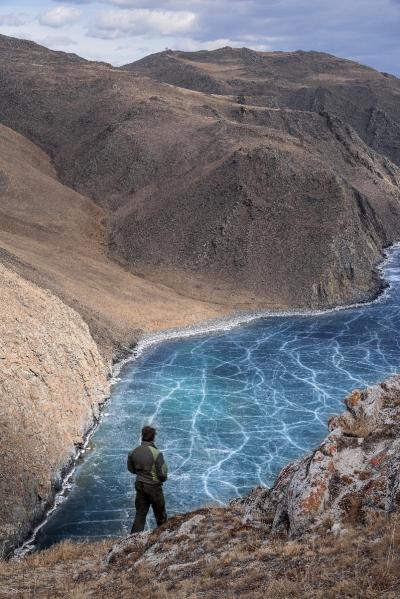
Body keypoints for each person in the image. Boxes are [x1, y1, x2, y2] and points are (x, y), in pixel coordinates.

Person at [127, 425, 168, 533]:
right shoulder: (156, 453)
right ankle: (163, 537)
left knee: (140, 514)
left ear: (142, 436)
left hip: (140, 484)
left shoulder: (133, 452)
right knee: (160, 515)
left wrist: (141, 473)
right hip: (153, 487)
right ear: (153, 437)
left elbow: (131, 469)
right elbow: (162, 475)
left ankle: (132, 540)